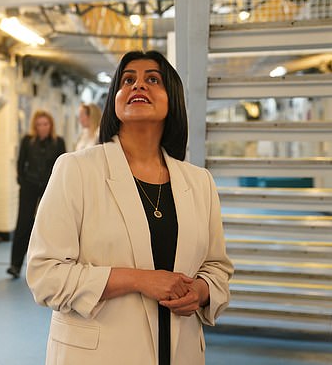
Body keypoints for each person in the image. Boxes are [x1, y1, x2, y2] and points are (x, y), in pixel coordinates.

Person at [26, 51, 233, 364]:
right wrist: (141, 279)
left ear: (172, 99)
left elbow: (217, 267)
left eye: (153, 79)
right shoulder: (76, 170)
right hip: (100, 355)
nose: (138, 86)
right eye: (128, 80)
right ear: (115, 100)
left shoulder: (199, 182)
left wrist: (202, 291)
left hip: (180, 352)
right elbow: (45, 276)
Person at [7, 109, 66, 279]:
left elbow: (62, 164)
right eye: (39, 124)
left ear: (50, 125)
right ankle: (15, 265)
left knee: (52, 224)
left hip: (50, 187)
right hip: (29, 186)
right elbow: (20, 163)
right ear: (35, 126)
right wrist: (22, 181)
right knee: (24, 223)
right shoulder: (27, 141)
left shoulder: (58, 142)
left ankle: (54, 265)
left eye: (45, 124)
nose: (42, 128)